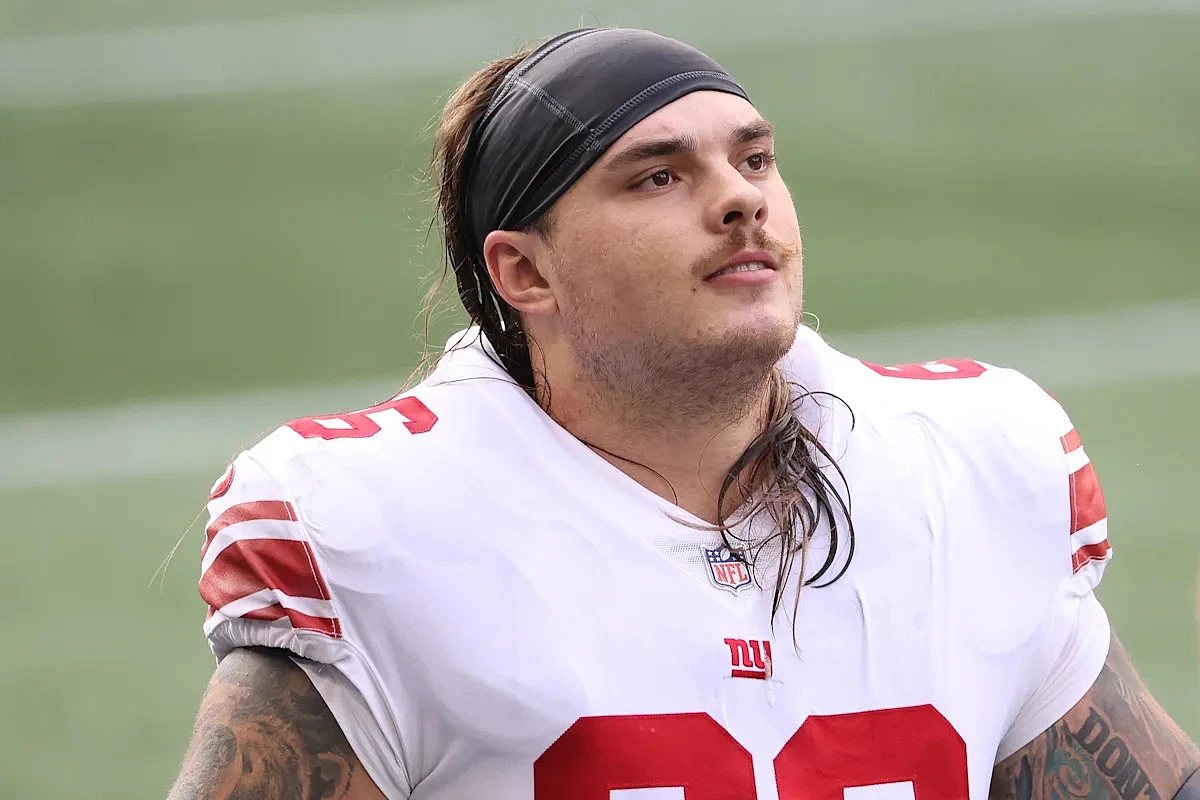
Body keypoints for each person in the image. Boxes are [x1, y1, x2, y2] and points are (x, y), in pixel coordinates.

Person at [168, 27, 1199, 800]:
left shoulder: (967, 460)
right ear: (525, 271)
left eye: (754, 160)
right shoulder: (382, 523)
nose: (740, 199)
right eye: (658, 176)